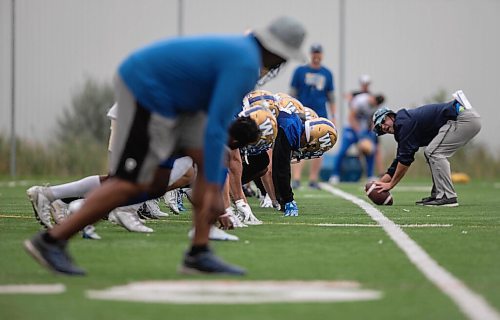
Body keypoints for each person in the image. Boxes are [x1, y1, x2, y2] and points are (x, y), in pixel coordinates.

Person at [23, 16, 307, 276]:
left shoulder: (243, 53)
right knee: (133, 181)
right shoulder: (245, 62)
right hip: (148, 89)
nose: (282, 63)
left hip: (174, 101)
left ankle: (198, 252)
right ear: (274, 48)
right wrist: (214, 191)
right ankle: (51, 241)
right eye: (283, 56)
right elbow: (215, 125)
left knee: (163, 180)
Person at [372, 90, 481, 206]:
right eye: (380, 127)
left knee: (433, 152)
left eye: (383, 121)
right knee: (432, 153)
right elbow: (399, 160)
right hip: (464, 117)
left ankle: (447, 196)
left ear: (391, 115)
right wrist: (379, 184)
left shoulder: (403, 124)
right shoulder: (403, 125)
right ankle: (439, 194)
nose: (383, 126)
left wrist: (391, 184)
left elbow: (405, 161)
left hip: (463, 118)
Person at [289, 43, 335, 189]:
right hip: (302, 113)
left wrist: (334, 115)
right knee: (298, 145)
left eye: (318, 53)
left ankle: (313, 179)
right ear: (311, 54)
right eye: (314, 53)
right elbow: (292, 93)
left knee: (320, 146)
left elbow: (331, 96)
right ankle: (296, 179)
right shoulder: (300, 71)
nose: (316, 56)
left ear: (321, 55)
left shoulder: (327, 73)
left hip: (320, 113)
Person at [329, 93, 385, 184]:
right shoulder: (361, 101)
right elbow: (351, 117)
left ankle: (370, 175)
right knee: (342, 151)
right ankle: (335, 175)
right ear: (372, 97)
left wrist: (369, 133)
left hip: (364, 130)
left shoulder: (376, 107)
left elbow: (372, 121)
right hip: (351, 128)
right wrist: (359, 132)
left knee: (370, 150)